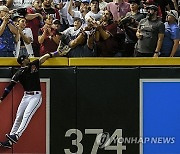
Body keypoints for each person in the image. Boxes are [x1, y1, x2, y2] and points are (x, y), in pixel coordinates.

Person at [0, 51, 62, 149]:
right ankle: (9, 141)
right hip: (27, 96)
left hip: (36, 96)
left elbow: (45, 57)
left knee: (26, 115)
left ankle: (16, 135)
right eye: (26, 58)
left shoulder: (34, 65)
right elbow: (9, 87)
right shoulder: (19, 73)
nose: (28, 59)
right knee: (18, 116)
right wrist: (1, 98)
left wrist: (57, 53)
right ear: (23, 61)